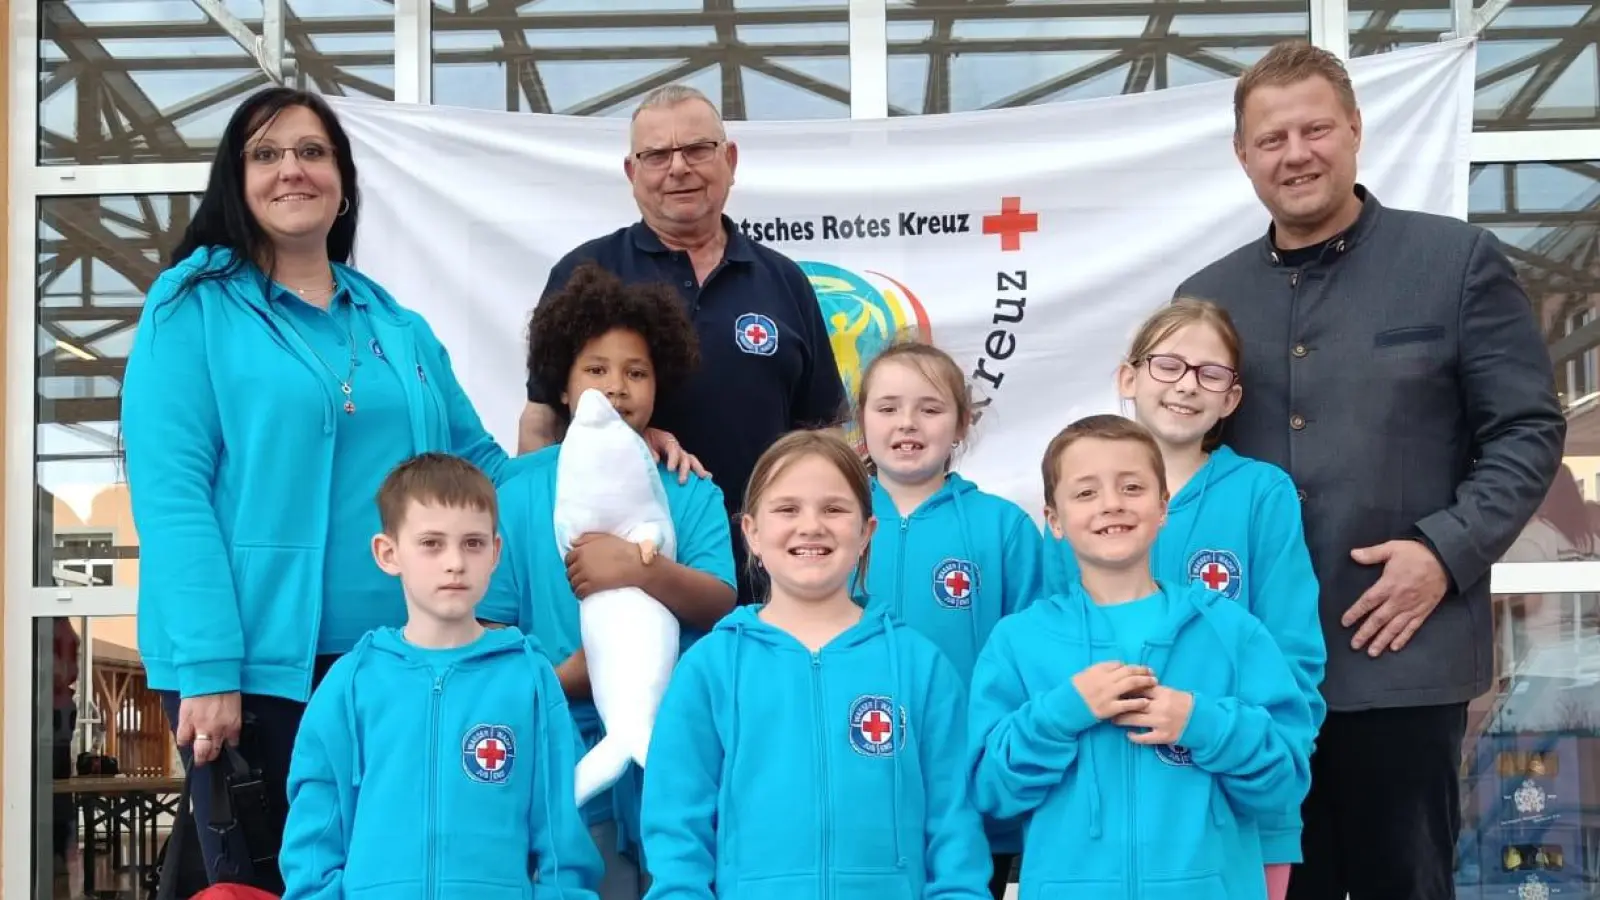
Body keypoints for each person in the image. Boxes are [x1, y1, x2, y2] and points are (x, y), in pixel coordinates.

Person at [1175, 41, 1566, 900]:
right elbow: (1177, 460)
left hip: (1400, 653)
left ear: (1354, 130)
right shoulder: (1206, 298)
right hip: (1252, 671)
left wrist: (1444, 550)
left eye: (1315, 128)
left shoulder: (1455, 263)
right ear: (1243, 157)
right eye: (1271, 139)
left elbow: (1528, 429)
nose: (1296, 153)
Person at [121, 87, 527, 889]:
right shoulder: (192, 307)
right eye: (266, 155)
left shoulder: (393, 323)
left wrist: (611, 443)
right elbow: (173, 493)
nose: (291, 171)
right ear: (235, 180)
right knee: (253, 881)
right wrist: (208, 665)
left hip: (401, 662)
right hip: (261, 668)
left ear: (342, 179)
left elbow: (482, 464)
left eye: (311, 152)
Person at [518, 83, 846, 604]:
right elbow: (541, 424)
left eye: (697, 149)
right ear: (632, 173)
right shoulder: (585, 273)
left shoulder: (784, 281)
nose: (678, 168)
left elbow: (824, 433)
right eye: (656, 155)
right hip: (613, 585)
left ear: (730, 160)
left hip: (771, 587)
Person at [1042, 299, 1326, 899]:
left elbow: (1295, 657)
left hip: (1234, 809)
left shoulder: (1260, 493)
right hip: (1103, 826)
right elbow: (1048, 654)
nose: (1186, 385)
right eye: (1168, 365)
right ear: (1129, 377)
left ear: (1231, 398)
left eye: (1210, 372)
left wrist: (1265, 756)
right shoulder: (1078, 505)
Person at [968, 414, 1316, 900]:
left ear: (1163, 506)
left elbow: (1284, 782)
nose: (1111, 504)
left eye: (1132, 487)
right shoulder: (1019, 641)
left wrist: (1202, 722)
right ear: (1054, 520)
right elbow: (990, 792)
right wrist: (1060, 713)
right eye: (1086, 493)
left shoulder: (1229, 630)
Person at [639, 430, 992, 900]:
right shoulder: (711, 666)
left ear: (867, 532)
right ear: (752, 534)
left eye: (834, 509)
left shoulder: (919, 665)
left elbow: (954, 829)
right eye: (787, 509)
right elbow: (676, 828)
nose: (811, 526)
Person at [480, 262, 738, 899]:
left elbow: (720, 602)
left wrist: (638, 569)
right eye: (595, 370)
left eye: (636, 372)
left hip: (675, 749)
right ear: (563, 386)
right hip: (560, 745)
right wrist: (574, 674)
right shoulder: (518, 491)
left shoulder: (689, 488)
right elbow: (488, 633)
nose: (616, 388)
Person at [279, 453, 602, 899]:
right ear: (388, 553)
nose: (455, 562)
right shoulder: (351, 682)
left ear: (495, 553)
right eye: (431, 543)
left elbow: (561, 830)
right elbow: (316, 825)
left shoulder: (528, 678)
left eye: (472, 543)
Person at [853, 340, 1044, 897]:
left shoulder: (1003, 527)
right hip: (858, 787)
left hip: (969, 791)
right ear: (861, 423)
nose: (907, 423)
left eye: (930, 408)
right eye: (887, 407)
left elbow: (1035, 665)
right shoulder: (831, 520)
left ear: (961, 424)